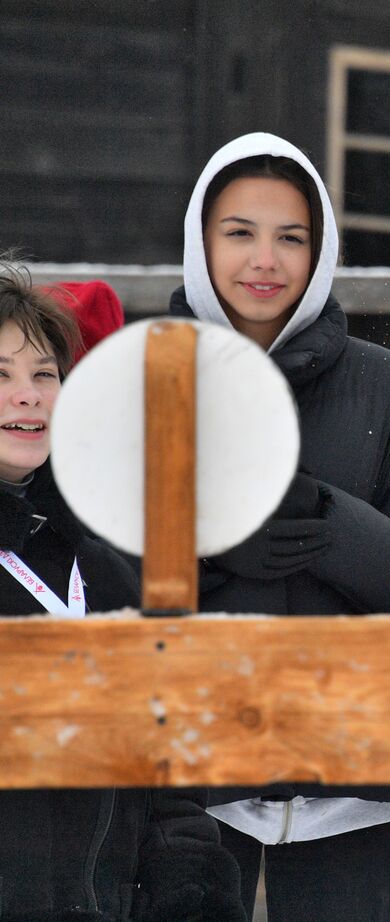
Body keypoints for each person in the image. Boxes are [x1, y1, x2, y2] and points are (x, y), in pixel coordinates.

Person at [171, 132, 390, 922]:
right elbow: (98, 576)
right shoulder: (153, 378)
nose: (263, 259)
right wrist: (209, 552)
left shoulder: (384, 386)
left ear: (321, 250)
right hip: (190, 783)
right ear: (201, 242)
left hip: (354, 777)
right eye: (239, 232)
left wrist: (326, 518)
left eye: (290, 237)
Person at [0, 260, 245, 922]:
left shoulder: (104, 573)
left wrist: (189, 886)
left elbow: (168, 776)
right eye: (1, 376)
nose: (27, 395)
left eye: (44, 375)